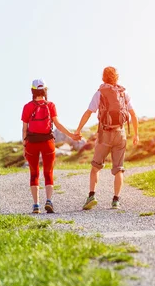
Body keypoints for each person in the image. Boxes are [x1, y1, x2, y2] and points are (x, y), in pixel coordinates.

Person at [74, 66, 139, 210]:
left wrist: (78, 130)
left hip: (105, 134)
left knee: (95, 167)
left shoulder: (100, 92)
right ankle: (116, 200)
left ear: (103, 77)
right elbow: (133, 114)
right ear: (117, 77)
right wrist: (136, 134)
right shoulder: (123, 92)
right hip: (120, 133)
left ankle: (91, 196)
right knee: (119, 169)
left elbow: (88, 112)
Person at [22, 79, 79, 214]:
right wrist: (71, 135)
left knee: (34, 173)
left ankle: (36, 205)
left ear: (32, 91)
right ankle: (49, 201)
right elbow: (58, 125)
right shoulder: (50, 105)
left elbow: (24, 129)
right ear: (45, 91)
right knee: (48, 173)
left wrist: (24, 146)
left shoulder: (27, 107)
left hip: (32, 143)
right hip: (48, 142)